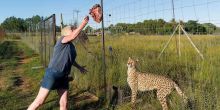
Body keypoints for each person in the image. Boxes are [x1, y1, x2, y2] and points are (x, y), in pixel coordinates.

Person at [27, 16, 89, 110]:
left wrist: (79, 67)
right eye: (72, 29)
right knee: (40, 101)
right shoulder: (62, 40)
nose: (74, 30)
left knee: (64, 104)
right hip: (53, 74)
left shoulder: (72, 46)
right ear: (66, 33)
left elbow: (70, 59)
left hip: (64, 77)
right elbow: (73, 36)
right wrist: (83, 24)